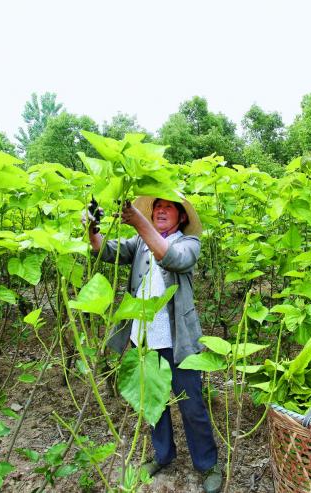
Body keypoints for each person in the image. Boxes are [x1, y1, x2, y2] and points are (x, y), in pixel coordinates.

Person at [88, 195, 221, 493]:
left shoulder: (189, 243)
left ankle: (207, 464)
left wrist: (139, 221)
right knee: (152, 403)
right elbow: (103, 251)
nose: (161, 210)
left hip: (178, 341)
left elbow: (172, 258)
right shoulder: (138, 242)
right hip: (143, 338)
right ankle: (163, 455)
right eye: (157, 206)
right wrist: (92, 228)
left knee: (191, 405)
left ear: (182, 217)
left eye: (169, 207)